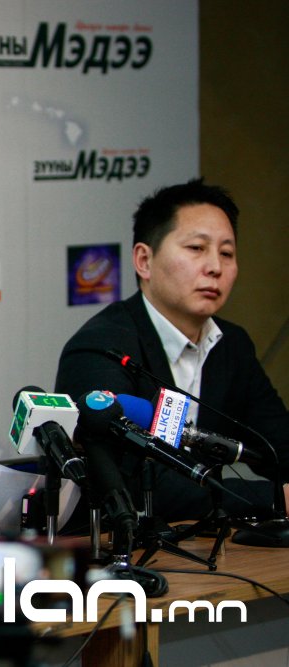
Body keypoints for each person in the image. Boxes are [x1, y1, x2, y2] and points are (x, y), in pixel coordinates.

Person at [56, 179, 289, 521]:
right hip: (118, 542)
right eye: (197, 248)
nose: (215, 267)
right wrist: (275, 499)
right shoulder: (100, 347)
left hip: (201, 542)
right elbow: (131, 483)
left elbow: (277, 446)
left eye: (226, 253)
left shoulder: (231, 344)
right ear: (144, 260)